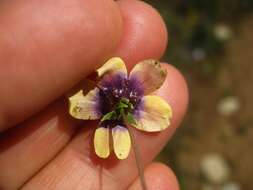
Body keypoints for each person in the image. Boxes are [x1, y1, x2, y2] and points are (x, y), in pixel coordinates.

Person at [0, 0, 188, 189]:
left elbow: (153, 74)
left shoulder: (142, 84)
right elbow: (96, 82)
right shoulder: (107, 78)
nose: (122, 106)